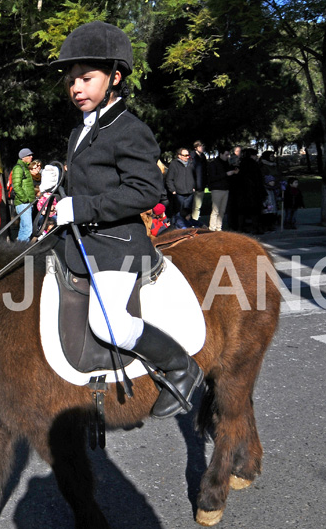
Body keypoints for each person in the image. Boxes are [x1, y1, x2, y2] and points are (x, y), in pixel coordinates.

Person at [51, 21, 203, 418]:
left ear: (115, 77)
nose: (76, 88)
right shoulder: (79, 131)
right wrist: (62, 198)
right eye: (72, 81)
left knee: (109, 325)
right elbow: (88, 183)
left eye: (86, 78)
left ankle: (181, 366)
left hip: (117, 245)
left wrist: (81, 209)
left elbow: (145, 191)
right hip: (80, 239)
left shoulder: (130, 129)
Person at [206, 148, 237, 231]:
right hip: (217, 189)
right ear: (221, 154)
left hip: (225, 188)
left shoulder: (226, 163)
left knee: (222, 210)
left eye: (228, 155)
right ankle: (212, 228)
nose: (228, 156)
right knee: (215, 210)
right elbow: (212, 177)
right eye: (226, 155)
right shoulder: (213, 164)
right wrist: (226, 174)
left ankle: (218, 227)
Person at [164, 147, 196, 224]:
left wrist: (194, 187)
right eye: (184, 155)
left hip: (189, 193)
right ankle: (177, 229)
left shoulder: (191, 164)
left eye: (188, 155)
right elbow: (169, 179)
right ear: (179, 156)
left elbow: (194, 176)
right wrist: (173, 190)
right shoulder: (174, 164)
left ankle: (187, 228)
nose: (187, 157)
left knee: (188, 213)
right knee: (178, 213)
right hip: (179, 194)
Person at [11, 148, 35, 241]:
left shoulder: (24, 167)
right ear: (23, 157)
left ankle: (18, 249)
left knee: (23, 228)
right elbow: (16, 186)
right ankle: (22, 251)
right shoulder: (18, 168)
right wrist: (25, 199)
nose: (31, 157)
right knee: (28, 229)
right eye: (29, 155)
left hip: (26, 203)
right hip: (23, 203)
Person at [190, 141, 208, 221]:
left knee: (197, 206)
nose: (202, 148)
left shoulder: (203, 157)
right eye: (200, 146)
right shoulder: (192, 157)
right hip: (193, 185)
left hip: (201, 184)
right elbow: (191, 172)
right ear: (196, 147)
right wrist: (193, 185)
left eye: (202, 146)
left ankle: (195, 221)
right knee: (190, 205)